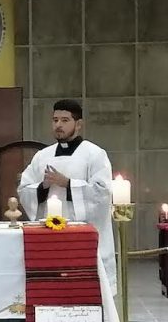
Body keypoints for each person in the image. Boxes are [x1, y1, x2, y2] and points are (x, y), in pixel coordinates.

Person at [17, 99, 116, 293]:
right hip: (49, 237)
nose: (58, 125)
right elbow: (24, 189)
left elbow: (102, 192)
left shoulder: (94, 154)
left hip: (83, 239)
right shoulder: (42, 156)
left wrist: (68, 184)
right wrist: (43, 187)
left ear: (78, 124)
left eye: (65, 120)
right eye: (55, 120)